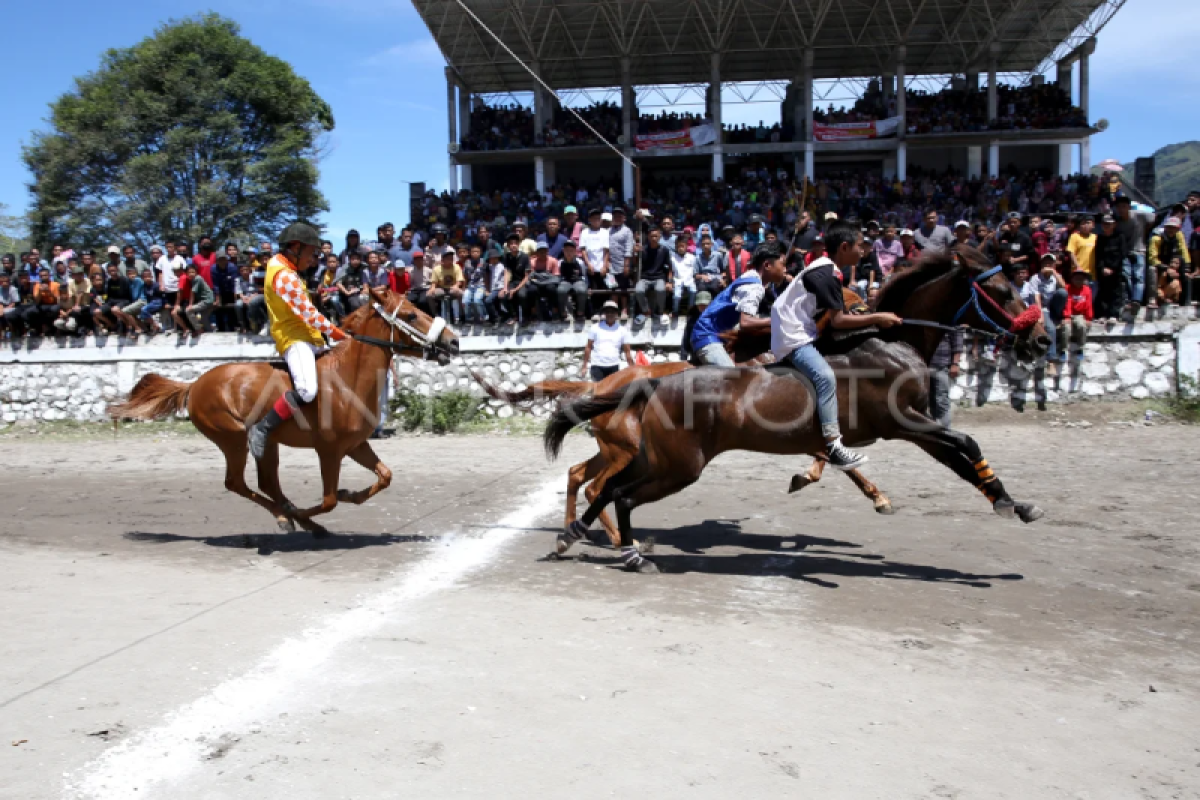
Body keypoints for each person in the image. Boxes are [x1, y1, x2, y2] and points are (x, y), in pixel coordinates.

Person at [770, 222, 903, 470]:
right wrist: (877, 317)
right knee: (825, 377)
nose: (864, 251)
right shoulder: (827, 275)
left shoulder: (826, 270)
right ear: (844, 247)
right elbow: (839, 320)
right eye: (860, 245)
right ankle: (834, 445)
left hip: (798, 329)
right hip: (794, 337)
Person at [248, 223, 348, 460]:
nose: (314, 259)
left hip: (309, 336)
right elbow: (309, 315)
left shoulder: (287, 271)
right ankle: (262, 428)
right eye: (312, 253)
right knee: (307, 390)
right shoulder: (283, 275)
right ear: (295, 247)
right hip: (295, 339)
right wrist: (339, 334)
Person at [690, 243, 785, 367]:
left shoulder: (751, 277)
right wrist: (775, 320)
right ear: (767, 265)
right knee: (731, 377)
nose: (785, 270)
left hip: (715, 336)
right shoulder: (754, 287)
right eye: (782, 264)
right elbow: (745, 322)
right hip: (706, 337)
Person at [579, 300, 634, 381]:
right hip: (597, 365)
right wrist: (584, 366)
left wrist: (632, 367)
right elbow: (588, 347)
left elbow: (627, 351)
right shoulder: (595, 328)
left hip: (614, 365)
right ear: (604, 313)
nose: (610, 314)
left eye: (612, 312)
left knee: (613, 392)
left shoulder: (622, 330)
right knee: (599, 392)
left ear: (616, 314)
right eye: (608, 312)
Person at [1093, 214, 1130, 322]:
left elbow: (1122, 254)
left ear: (1114, 225)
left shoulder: (1120, 237)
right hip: (1103, 270)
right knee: (1103, 292)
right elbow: (1098, 255)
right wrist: (1102, 268)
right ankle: (1103, 314)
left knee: (1116, 293)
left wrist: (1112, 268)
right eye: (1104, 224)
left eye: (1109, 224)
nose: (1107, 226)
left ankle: (1113, 314)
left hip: (1116, 270)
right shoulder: (1100, 237)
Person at [1147, 217, 1190, 308]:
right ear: (1165, 227)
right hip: (1159, 265)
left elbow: (1184, 252)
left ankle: (1184, 301)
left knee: (1186, 274)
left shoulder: (1179, 236)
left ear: (1178, 229)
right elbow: (1152, 258)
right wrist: (1167, 268)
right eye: (1169, 227)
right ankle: (1152, 299)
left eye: (1174, 228)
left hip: (1172, 265)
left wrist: (1186, 268)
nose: (1171, 230)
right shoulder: (1156, 239)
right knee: (1151, 269)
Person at [1060, 267, 1093, 370]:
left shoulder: (1087, 290)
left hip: (1079, 314)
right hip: (1069, 313)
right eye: (1076, 278)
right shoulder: (1068, 288)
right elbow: (1067, 302)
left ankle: (1080, 348)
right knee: (1066, 328)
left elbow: (1088, 305)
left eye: (1081, 279)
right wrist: (1067, 316)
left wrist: (1088, 318)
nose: (1078, 281)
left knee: (1082, 326)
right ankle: (1063, 349)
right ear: (1072, 279)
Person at [173, 263, 214, 336]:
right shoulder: (191, 280)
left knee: (188, 310)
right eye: (189, 272)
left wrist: (190, 305)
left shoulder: (197, 278)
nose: (191, 274)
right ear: (186, 273)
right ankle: (210, 332)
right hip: (205, 300)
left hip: (206, 300)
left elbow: (193, 292)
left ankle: (198, 329)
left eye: (193, 272)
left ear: (196, 272)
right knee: (203, 318)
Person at [429, 249, 465, 324]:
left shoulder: (457, 267)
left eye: (451, 258)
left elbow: (460, 280)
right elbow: (434, 282)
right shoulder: (437, 269)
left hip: (453, 288)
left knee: (461, 294)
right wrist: (432, 288)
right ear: (443, 260)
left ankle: (462, 315)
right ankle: (435, 316)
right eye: (448, 259)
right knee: (429, 295)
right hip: (441, 288)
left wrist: (456, 286)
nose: (450, 260)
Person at [556, 239, 588, 323]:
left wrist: (587, 285)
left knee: (582, 290)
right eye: (566, 251)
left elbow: (584, 275)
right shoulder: (560, 263)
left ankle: (580, 313)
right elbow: (558, 276)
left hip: (578, 280)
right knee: (561, 291)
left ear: (575, 252)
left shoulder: (580, 262)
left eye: (571, 251)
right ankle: (563, 313)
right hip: (565, 281)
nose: (569, 253)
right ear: (563, 251)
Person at [678, 291, 712, 365]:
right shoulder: (692, 317)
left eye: (705, 304)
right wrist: (683, 357)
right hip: (696, 351)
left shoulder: (716, 317)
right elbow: (686, 337)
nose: (702, 307)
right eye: (700, 304)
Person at [669, 235, 697, 316]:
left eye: (682, 246)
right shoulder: (672, 257)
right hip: (677, 279)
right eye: (678, 246)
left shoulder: (692, 257)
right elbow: (671, 270)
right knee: (677, 296)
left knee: (693, 291)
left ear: (686, 246)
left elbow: (695, 270)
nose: (680, 248)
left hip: (690, 279)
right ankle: (675, 311)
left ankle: (690, 310)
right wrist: (670, 282)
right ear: (676, 246)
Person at [1065, 216, 1097, 282]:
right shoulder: (1074, 236)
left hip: (1093, 274)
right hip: (1079, 273)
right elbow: (1071, 253)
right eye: (1083, 223)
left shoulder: (1096, 237)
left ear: (1093, 225)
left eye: (1088, 223)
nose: (1085, 225)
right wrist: (1078, 267)